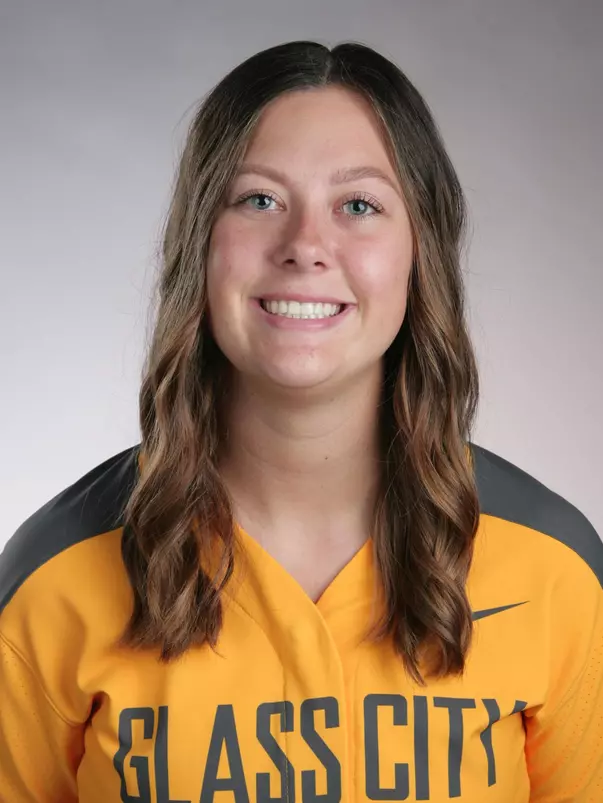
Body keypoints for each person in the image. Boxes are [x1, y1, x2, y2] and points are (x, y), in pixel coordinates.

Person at [0, 39, 601, 803]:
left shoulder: (554, 569)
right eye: (258, 200)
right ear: (199, 244)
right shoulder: (56, 575)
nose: (305, 247)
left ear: (421, 251)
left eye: (358, 205)